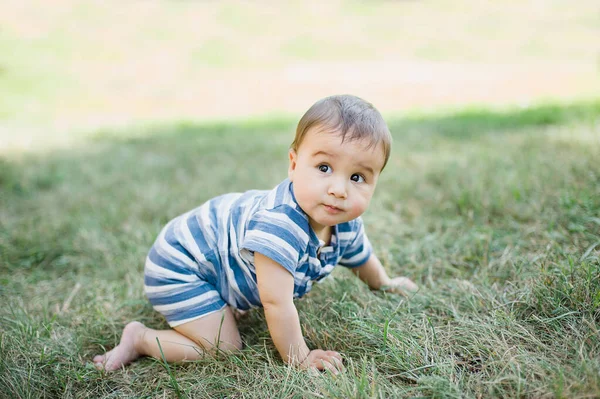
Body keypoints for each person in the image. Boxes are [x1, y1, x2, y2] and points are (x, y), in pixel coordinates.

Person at [93, 94, 418, 374]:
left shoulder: (344, 220)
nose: (338, 190)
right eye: (324, 168)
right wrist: (300, 358)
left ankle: (224, 296)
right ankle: (140, 338)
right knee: (222, 346)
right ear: (293, 164)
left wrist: (384, 283)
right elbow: (276, 302)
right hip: (181, 267)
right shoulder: (281, 225)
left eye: (358, 177)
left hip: (212, 261)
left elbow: (360, 256)